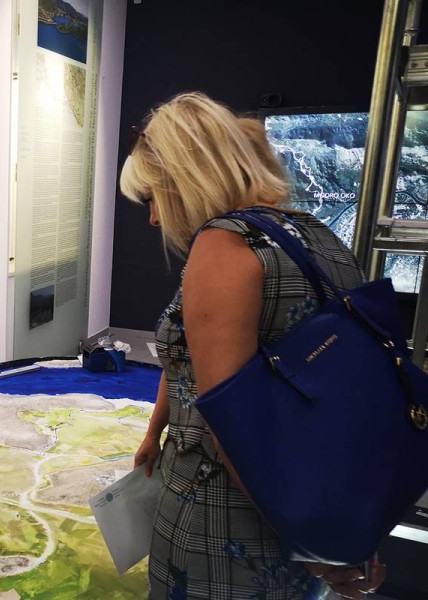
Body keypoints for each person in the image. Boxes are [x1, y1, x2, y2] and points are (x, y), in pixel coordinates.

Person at [121, 92, 385, 600]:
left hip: (226, 519)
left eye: (153, 196)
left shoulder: (223, 246)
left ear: (186, 177)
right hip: (312, 491)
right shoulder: (314, 234)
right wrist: (156, 428)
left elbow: (233, 424)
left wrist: (309, 544)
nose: (153, 218)